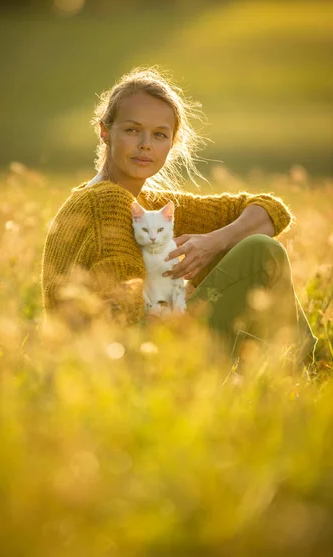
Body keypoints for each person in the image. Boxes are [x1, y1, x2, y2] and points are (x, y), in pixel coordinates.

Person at [41, 67, 317, 364]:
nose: (145, 144)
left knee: (244, 243)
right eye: (133, 130)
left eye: (159, 135)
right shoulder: (106, 201)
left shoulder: (145, 204)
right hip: (134, 364)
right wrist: (186, 294)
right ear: (105, 132)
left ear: (171, 144)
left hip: (131, 355)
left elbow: (270, 212)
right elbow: (126, 317)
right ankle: (308, 365)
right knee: (261, 251)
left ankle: (287, 362)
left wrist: (212, 244)